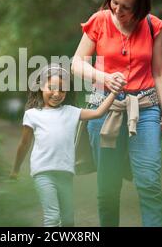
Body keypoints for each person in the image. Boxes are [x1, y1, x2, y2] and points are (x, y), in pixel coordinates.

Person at [71, 0, 162, 227]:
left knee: (149, 182)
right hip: (104, 109)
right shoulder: (99, 20)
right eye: (114, 3)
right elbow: (76, 63)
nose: (117, 10)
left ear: (141, 7)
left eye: (126, 7)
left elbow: (159, 72)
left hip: (146, 110)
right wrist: (103, 77)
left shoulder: (153, 26)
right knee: (108, 187)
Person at [10, 64, 118, 227]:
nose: (57, 94)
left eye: (62, 89)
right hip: (43, 173)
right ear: (41, 87)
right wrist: (15, 170)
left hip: (65, 173)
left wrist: (115, 92)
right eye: (51, 88)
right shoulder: (32, 115)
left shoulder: (71, 111)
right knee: (52, 217)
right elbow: (24, 144)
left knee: (68, 220)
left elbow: (98, 113)